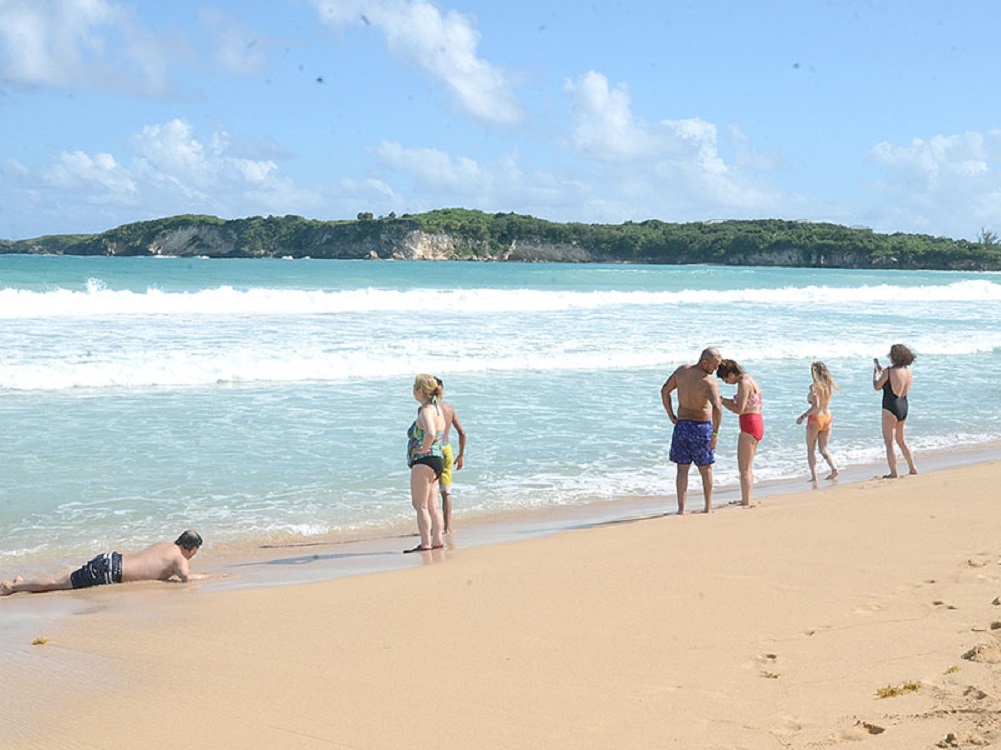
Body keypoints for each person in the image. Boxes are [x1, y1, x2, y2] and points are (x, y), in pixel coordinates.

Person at [0, 530, 204, 596]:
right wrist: (212, 577)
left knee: (62, 578)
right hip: (111, 571)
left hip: (111, 560)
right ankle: (12, 587)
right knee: (59, 584)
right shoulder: (178, 555)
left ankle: (22, 582)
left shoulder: (165, 545)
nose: (192, 556)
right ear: (191, 548)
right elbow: (186, 578)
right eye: (194, 552)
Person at [661, 347, 724, 514]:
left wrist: (671, 415)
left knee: (682, 469)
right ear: (705, 362)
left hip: (681, 426)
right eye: (715, 365)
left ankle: (681, 509)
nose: (716, 369)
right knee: (705, 468)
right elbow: (717, 408)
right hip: (701, 428)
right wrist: (715, 433)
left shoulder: (682, 371)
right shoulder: (708, 381)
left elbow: (665, 390)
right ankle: (708, 507)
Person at [405, 374, 446, 553]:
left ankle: (425, 543)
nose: (413, 390)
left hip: (424, 461)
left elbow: (430, 433)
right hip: (437, 459)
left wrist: (423, 449)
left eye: (414, 386)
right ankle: (437, 540)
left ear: (420, 390)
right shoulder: (437, 409)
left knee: (420, 505)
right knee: (433, 505)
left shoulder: (427, 411)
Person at [717, 359, 762, 507]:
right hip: (756, 423)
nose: (725, 382)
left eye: (725, 379)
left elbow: (739, 409)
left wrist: (721, 400)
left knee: (744, 468)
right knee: (747, 466)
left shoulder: (743, 383)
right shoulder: (749, 380)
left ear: (731, 374)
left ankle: (746, 501)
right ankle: (746, 498)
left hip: (749, 424)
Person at [873, 344, 918, 478]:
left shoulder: (889, 371)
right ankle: (912, 467)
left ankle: (893, 472)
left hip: (890, 406)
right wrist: (884, 372)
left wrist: (875, 374)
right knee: (901, 440)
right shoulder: (908, 371)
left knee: (889, 442)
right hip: (903, 406)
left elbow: (877, 386)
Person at [796, 361, 840, 482]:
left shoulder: (815, 387)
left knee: (811, 449)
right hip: (827, 418)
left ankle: (814, 477)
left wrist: (803, 416)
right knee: (824, 449)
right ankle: (834, 468)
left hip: (815, 419)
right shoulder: (828, 386)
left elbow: (816, 406)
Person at [434, 377, 466, 535]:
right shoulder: (449, 408)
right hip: (447, 450)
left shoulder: (428, 409)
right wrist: (461, 455)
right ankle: (448, 528)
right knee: (446, 492)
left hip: (433, 451)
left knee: (430, 491)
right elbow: (462, 432)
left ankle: (433, 527)